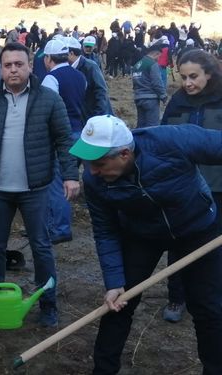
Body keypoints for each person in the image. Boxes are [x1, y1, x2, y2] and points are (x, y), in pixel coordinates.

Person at [69, 114, 222, 375]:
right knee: (118, 304)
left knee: (208, 307)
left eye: (99, 163)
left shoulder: (171, 141)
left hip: (197, 229)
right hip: (142, 234)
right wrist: (114, 281)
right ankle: (103, 370)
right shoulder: (95, 182)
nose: (91, 171)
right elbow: (105, 231)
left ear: (125, 154)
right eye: (87, 162)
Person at [0, 42, 80, 328]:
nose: (13, 69)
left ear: (30, 66)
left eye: (19, 64)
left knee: (41, 246)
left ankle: (48, 303)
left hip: (35, 189)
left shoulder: (48, 100)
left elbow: (64, 140)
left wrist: (70, 175)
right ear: (0, 69)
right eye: (7, 65)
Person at [160, 49, 222, 322]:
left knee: (213, 246)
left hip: (218, 187)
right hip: (183, 189)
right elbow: (162, 139)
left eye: (194, 76)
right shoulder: (177, 102)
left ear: (209, 73)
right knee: (179, 243)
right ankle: (176, 297)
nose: (188, 83)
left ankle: (212, 296)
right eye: (183, 77)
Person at [41, 39, 87, 245]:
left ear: (49, 58)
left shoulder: (51, 79)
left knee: (56, 183)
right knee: (67, 179)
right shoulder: (80, 76)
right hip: (79, 133)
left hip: (62, 136)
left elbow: (46, 111)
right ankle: (51, 224)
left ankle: (59, 228)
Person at [66, 36, 113, 117]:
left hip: (97, 115)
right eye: (86, 46)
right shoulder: (71, 67)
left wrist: (98, 115)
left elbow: (101, 90)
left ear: (71, 53)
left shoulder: (90, 66)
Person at [131, 44, 167, 128]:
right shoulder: (152, 64)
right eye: (159, 57)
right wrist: (163, 96)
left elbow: (134, 82)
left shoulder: (137, 65)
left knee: (141, 125)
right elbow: (157, 82)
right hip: (151, 99)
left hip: (138, 98)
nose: (158, 59)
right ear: (156, 54)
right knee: (152, 127)